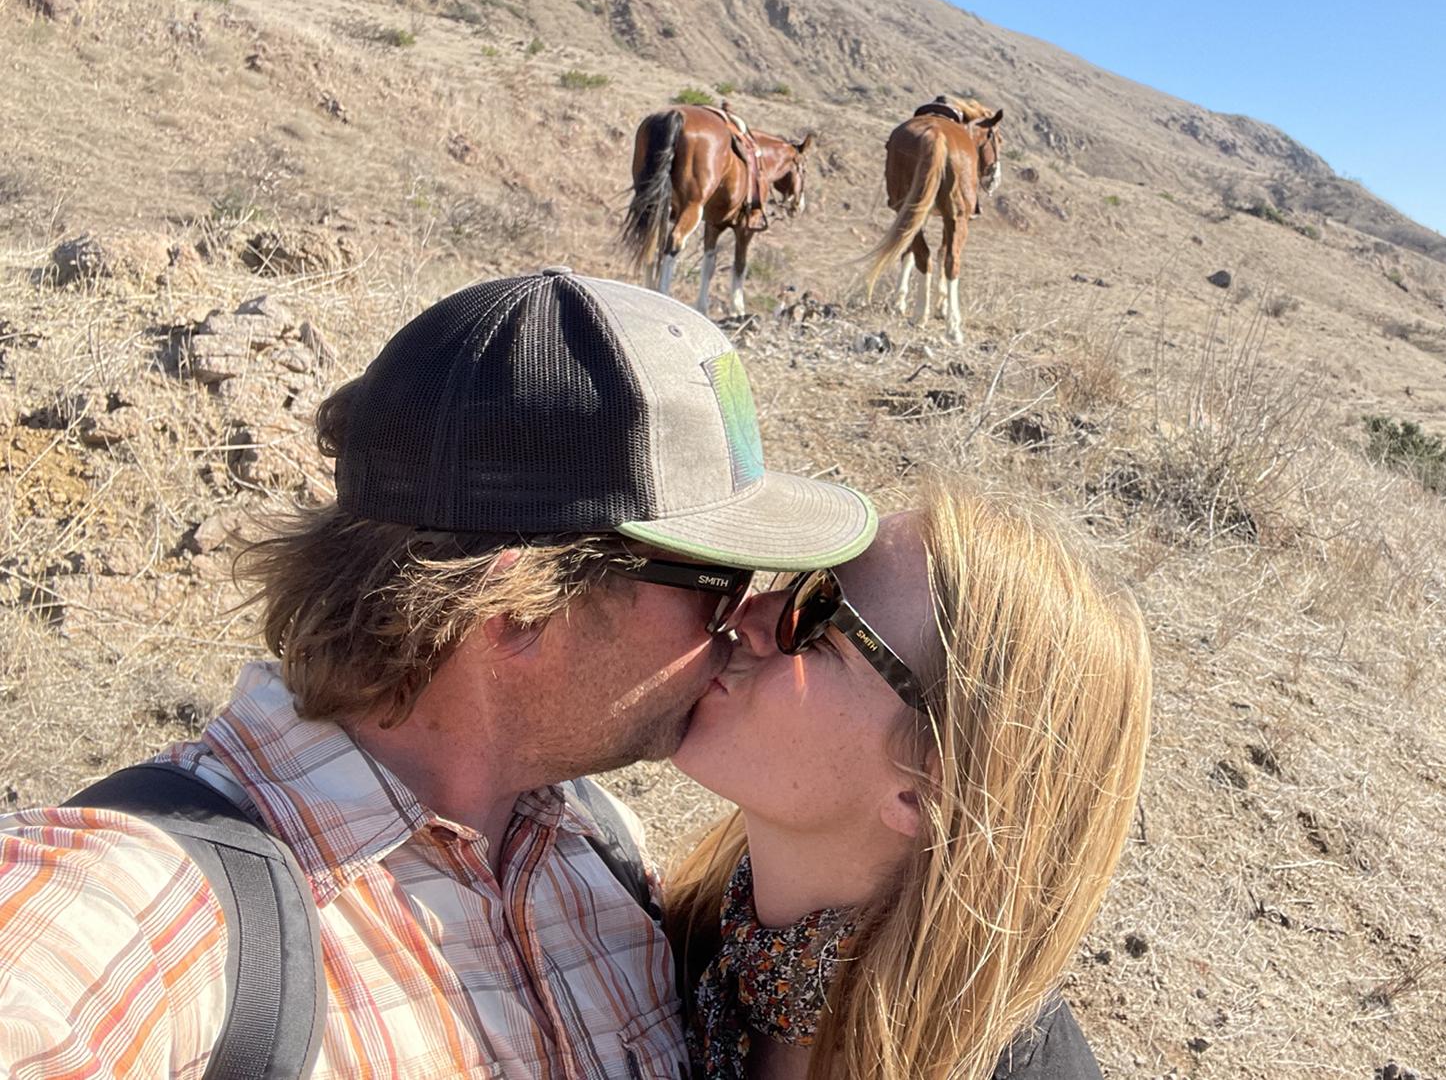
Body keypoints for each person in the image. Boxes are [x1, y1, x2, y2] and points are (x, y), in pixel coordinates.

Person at [0, 268, 876, 1079]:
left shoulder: (600, 851)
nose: (748, 624)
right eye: (719, 585)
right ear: (522, 608)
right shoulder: (149, 906)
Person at [661, 485, 1153, 1080]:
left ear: (927, 787)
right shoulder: (670, 949)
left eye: (818, 618)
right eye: (796, 580)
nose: (749, 614)